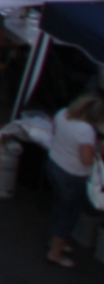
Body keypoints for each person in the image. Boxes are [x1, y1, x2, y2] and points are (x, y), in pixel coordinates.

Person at [43, 93, 100, 267]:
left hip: (54, 164)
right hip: (72, 175)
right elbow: (87, 160)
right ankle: (55, 253)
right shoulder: (86, 130)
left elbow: (54, 132)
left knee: (59, 205)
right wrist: (97, 151)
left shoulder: (62, 114)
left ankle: (55, 240)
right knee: (69, 214)